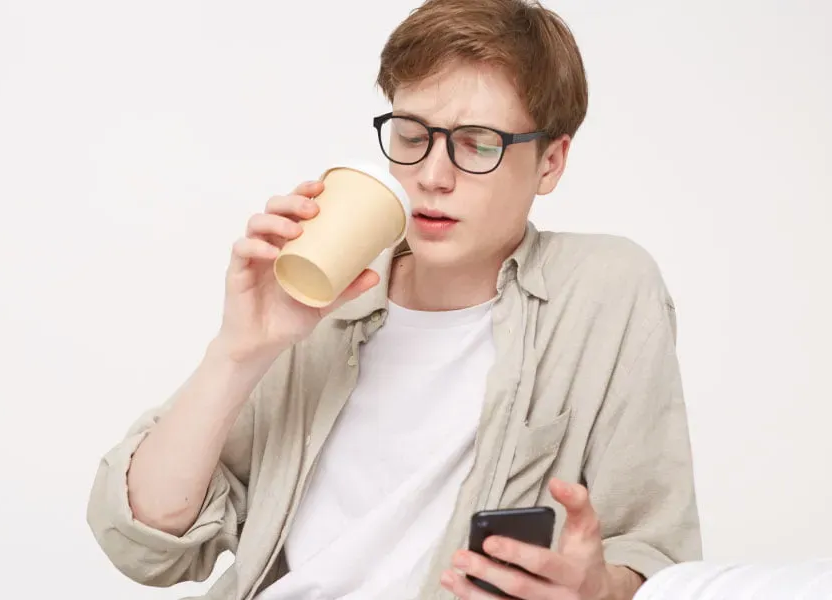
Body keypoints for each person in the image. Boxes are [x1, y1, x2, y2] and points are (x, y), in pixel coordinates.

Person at [86, 0, 702, 598]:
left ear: (551, 161)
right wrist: (240, 351)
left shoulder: (605, 291)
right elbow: (144, 543)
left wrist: (597, 591)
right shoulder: (325, 296)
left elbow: (655, 554)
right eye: (412, 135)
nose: (432, 174)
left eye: (478, 142)